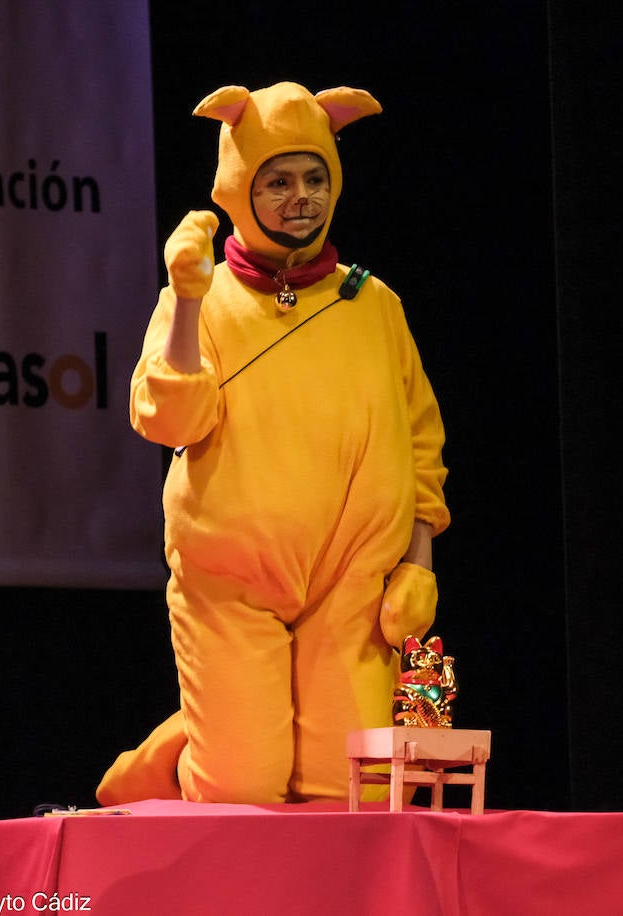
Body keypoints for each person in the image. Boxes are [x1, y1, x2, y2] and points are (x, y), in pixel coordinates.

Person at [95, 82, 449, 805]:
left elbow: (422, 449)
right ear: (238, 188)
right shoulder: (203, 295)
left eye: (315, 178)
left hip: (350, 588)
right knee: (242, 792)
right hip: (233, 586)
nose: (302, 198)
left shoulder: (375, 305)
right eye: (278, 181)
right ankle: (177, 751)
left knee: (356, 791)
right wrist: (190, 300)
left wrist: (418, 564)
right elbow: (169, 422)